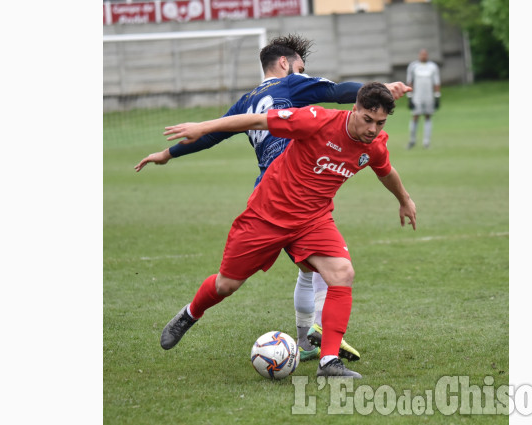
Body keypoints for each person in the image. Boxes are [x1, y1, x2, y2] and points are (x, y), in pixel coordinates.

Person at [135, 35, 411, 362]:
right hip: (276, 193)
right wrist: (380, 88)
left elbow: (211, 136)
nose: (305, 74)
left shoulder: (246, 99)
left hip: (301, 199)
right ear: (285, 64)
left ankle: (324, 350)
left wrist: (169, 153)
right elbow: (337, 92)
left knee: (334, 270)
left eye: (379, 122)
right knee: (227, 284)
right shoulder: (294, 87)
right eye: (301, 67)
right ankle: (192, 313)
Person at [405, 48, 441, 149]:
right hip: (417, 96)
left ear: (427, 55)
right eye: (422, 54)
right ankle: (412, 141)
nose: (423, 56)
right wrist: (409, 97)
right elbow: (410, 81)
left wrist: (437, 96)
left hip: (429, 96)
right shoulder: (413, 66)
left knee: (428, 116)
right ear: (419, 55)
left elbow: (436, 82)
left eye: (425, 54)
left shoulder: (433, 67)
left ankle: (426, 142)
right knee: (415, 116)